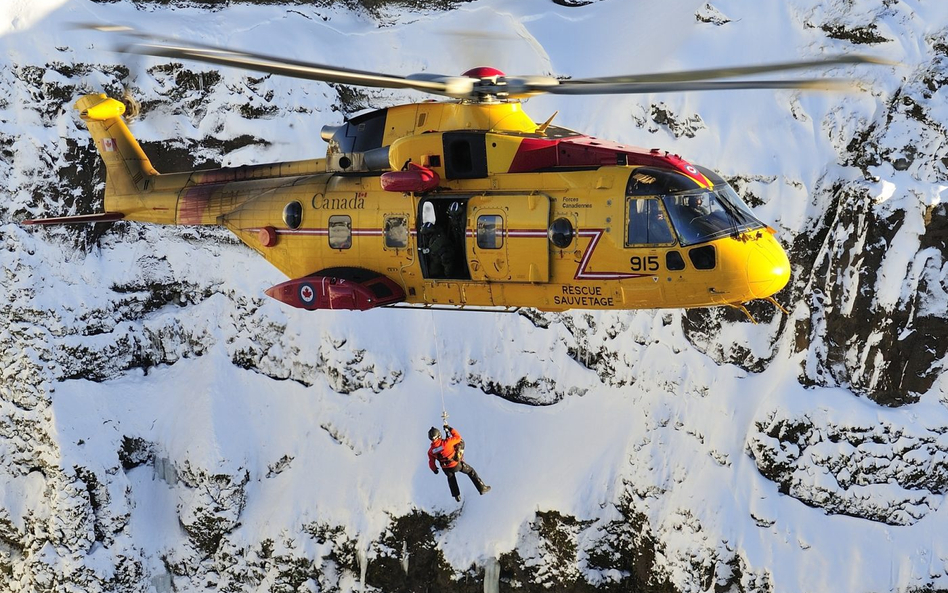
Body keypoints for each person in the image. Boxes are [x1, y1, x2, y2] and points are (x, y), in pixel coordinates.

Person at [427, 424, 490, 501]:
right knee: (470, 471)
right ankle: (482, 488)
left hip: (445, 468)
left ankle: (457, 496)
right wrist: (450, 428)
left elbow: (431, 462)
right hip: (455, 464)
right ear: (439, 435)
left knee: (451, 479)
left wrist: (435, 470)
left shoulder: (430, 451)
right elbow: (458, 437)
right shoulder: (447, 443)